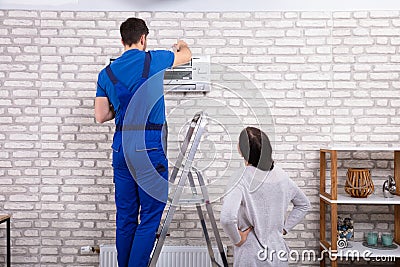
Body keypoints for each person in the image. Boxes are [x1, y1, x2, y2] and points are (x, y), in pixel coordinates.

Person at [94, 17, 191, 267]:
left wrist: (125, 106)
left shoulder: (106, 73)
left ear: (121, 40)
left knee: (126, 218)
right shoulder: (154, 59)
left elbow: (101, 115)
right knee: (149, 216)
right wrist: (180, 43)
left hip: (122, 146)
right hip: (149, 147)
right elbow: (186, 55)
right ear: (143, 38)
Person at [221, 127, 311, 267]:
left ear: (242, 149)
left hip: (251, 257)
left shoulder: (241, 178)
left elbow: (227, 218)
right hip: (278, 255)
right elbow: (303, 204)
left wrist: (237, 239)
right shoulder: (281, 175)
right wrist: (283, 228)